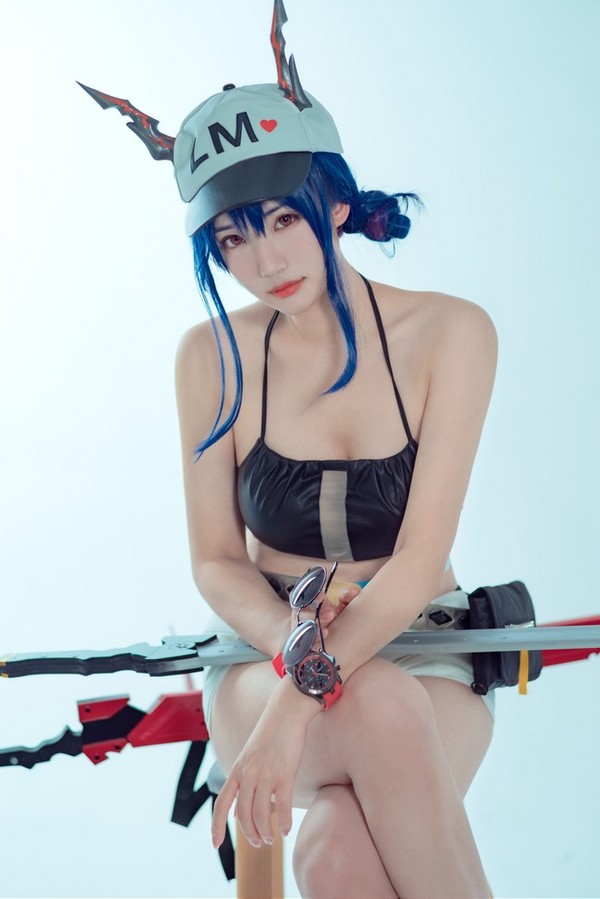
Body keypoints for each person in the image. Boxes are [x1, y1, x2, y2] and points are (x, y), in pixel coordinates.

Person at [84, 3, 497, 895]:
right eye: (232, 239)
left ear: (335, 202)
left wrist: (301, 699)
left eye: (281, 219)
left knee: (335, 854)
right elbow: (215, 561)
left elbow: (418, 558)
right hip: (258, 655)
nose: (265, 262)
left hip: (424, 646)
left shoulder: (451, 334)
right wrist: (294, 656)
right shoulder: (210, 357)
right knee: (375, 706)